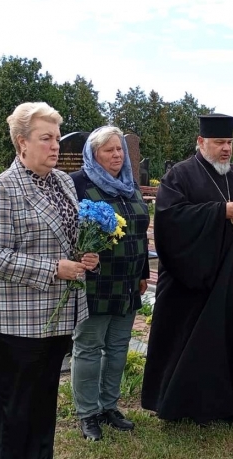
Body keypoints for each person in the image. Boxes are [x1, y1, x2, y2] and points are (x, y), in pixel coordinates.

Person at [0, 102, 98, 459]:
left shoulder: (62, 181)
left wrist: (84, 256)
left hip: (59, 314)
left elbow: (70, 234)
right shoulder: (3, 188)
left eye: (56, 137)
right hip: (18, 320)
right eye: (46, 138)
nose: (55, 145)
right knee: (17, 403)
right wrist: (54, 269)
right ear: (21, 142)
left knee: (45, 397)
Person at [141, 114, 233, 425]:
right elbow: (170, 220)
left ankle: (222, 406)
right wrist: (218, 212)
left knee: (224, 342)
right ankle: (178, 406)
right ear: (201, 143)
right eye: (219, 143)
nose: (226, 149)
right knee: (188, 343)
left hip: (230, 279)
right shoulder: (180, 176)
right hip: (192, 280)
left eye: (229, 143)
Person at [69, 126, 150, 441]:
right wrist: (79, 254)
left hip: (128, 281)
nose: (117, 156)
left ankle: (109, 406)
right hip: (95, 281)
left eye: (120, 150)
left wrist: (142, 273)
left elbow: (139, 233)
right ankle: (87, 413)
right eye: (109, 150)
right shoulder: (77, 184)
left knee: (117, 347)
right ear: (93, 153)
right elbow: (65, 229)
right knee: (89, 347)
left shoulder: (129, 186)